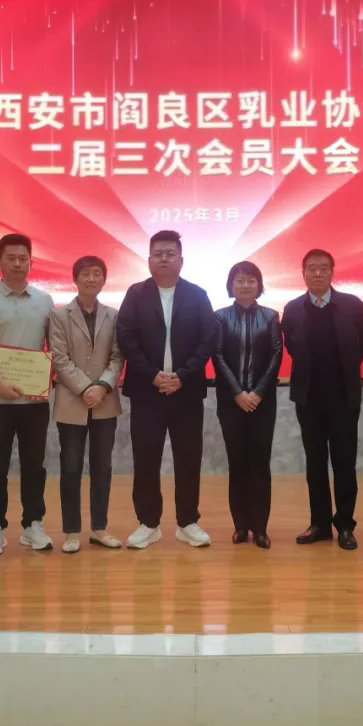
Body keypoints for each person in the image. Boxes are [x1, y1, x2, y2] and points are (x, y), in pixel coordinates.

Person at [116, 230, 218, 549]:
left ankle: (188, 522)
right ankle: (148, 523)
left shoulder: (197, 295)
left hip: (186, 392)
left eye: (170, 253)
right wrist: (152, 375)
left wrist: (182, 376)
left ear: (181, 260)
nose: (164, 259)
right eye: (158, 254)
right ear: (148, 260)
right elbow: (126, 337)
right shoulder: (135, 294)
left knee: (188, 458)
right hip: (147, 392)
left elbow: (208, 339)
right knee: (146, 459)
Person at [0, 234, 55, 556]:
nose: (18, 263)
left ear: (31, 262)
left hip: (34, 400)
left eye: (23, 258)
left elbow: (56, 345)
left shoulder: (45, 300)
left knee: (34, 464)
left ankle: (33, 524)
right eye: (11, 258)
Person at [281, 249, 363, 551]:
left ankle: (345, 525)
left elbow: (362, 343)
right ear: (303, 274)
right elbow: (292, 346)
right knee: (315, 462)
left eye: (323, 268)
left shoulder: (352, 305)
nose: (317, 273)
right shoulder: (293, 309)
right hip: (308, 398)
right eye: (311, 269)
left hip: (344, 397)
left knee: (344, 461)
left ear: (332, 272)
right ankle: (319, 523)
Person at [49, 255, 125, 554]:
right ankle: (71, 531)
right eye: (85, 274)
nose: (91, 279)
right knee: (70, 467)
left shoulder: (114, 315)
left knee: (102, 467)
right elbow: (59, 358)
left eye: (97, 274)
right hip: (72, 400)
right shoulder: (59, 315)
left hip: (105, 400)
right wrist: (85, 388)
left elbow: (118, 356)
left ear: (104, 279)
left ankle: (99, 528)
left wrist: (102, 386)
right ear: (75, 279)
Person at [212, 261, 283, 549]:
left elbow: (276, 355)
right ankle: (240, 526)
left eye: (251, 280)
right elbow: (217, 356)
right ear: (231, 285)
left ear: (259, 285)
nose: (245, 285)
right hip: (231, 402)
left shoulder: (271, 317)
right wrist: (238, 392)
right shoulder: (219, 317)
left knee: (260, 463)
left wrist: (258, 392)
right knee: (237, 462)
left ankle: (260, 527)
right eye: (239, 280)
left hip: (262, 403)